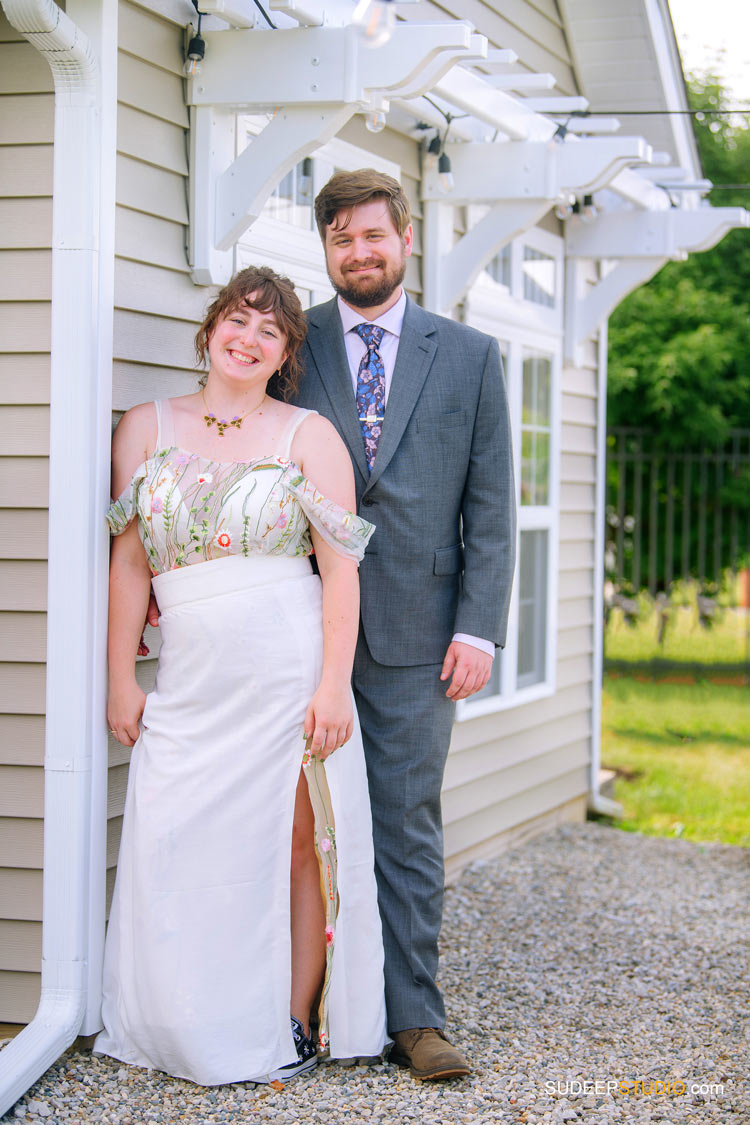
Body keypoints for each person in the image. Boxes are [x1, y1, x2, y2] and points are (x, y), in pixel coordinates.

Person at [94, 265, 389, 1086]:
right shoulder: (144, 426)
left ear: (286, 351)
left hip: (285, 669)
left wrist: (334, 684)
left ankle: (291, 1020)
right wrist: (122, 675)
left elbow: (340, 572)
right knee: (175, 836)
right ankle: (181, 1018)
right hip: (188, 674)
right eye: (239, 318)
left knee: (291, 845)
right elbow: (127, 565)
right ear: (211, 326)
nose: (249, 337)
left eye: (271, 329)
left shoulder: (308, 436)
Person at [284, 169, 516, 1080]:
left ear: (406, 238)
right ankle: (300, 1006)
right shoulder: (291, 341)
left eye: (373, 236)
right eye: (342, 241)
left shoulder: (466, 354)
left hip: (424, 638)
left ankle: (414, 1017)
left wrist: (480, 629)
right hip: (302, 625)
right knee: (299, 824)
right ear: (329, 249)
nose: (360, 253)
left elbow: (490, 506)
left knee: (407, 823)